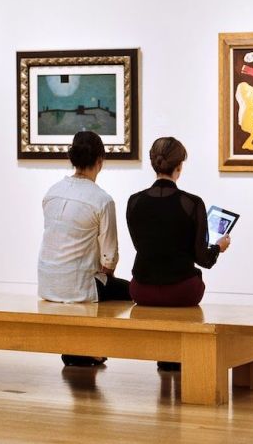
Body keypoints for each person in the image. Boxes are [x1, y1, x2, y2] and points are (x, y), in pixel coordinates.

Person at [127, 137, 231, 370]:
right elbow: (203, 259)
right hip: (182, 291)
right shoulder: (192, 203)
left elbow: (142, 246)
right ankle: (176, 356)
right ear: (179, 167)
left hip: (141, 289)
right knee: (193, 279)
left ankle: (166, 355)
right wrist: (219, 247)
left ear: (154, 164)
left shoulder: (134, 202)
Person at [38, 131, 130, 367]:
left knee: (102, 284)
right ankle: (92, 347)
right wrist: (105, 270)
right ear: (100, 161)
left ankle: (83, 347)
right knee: (132, 291)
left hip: (47, 281)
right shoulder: (102, 200)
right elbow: (110, 259)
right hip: (80, 286)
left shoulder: (52, 192)